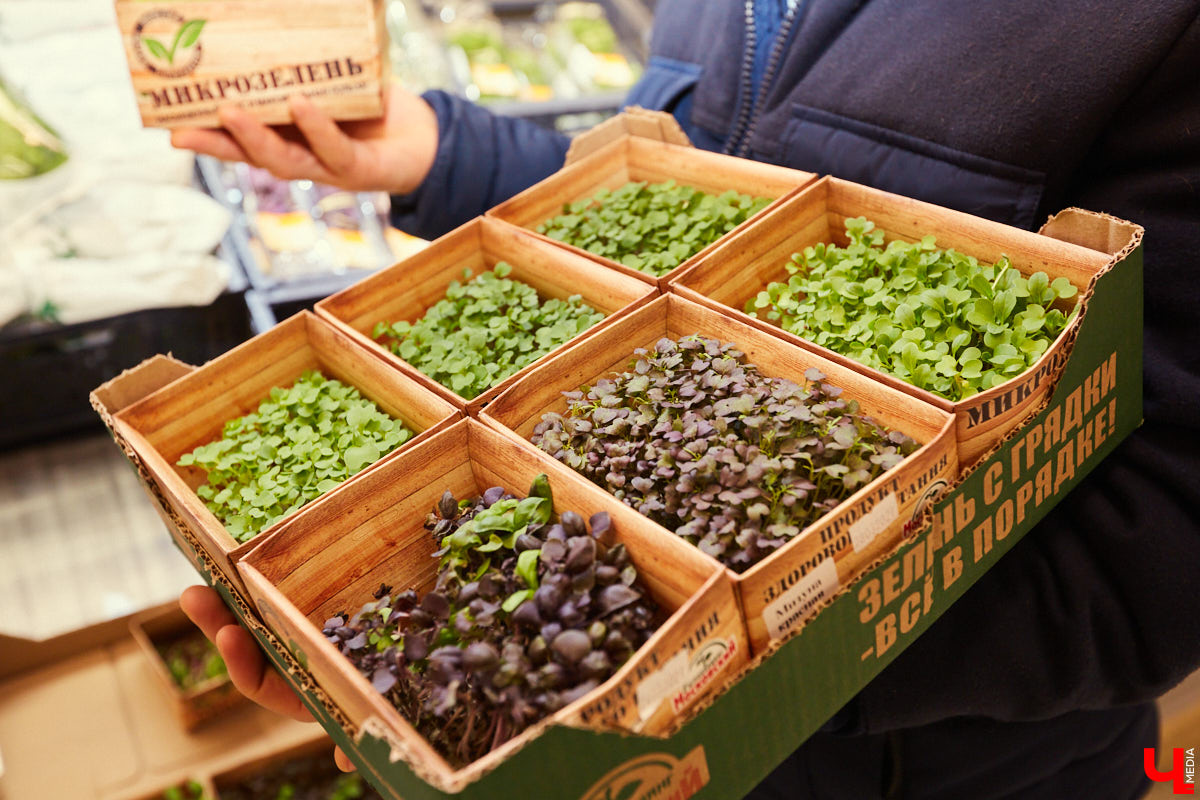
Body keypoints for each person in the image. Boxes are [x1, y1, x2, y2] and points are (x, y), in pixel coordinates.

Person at [176, 1, 1200, 797]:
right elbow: (691, 188)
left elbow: (1168, 536)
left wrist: (725, 675)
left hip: (948, 764)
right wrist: (440, 153)